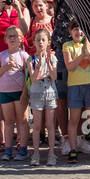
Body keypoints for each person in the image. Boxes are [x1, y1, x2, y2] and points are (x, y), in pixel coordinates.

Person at [0, 25, 31, 161]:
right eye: (10, 36)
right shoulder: (1, 56)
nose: (13, 38)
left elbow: (28, 77)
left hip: (19, 93)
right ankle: (8, 149)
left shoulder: (24, 55)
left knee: (22, 121)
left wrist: (25, 93)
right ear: (5, 39)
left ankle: (23, 149)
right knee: (8, 121)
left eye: (15, 36)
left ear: (21, 39)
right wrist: (5, 67)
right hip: (5, 93)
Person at [62, 20, 90, 163]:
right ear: (71, 32)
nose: (79, 32)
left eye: (82, 29)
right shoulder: (67, 46)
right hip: (74, 86)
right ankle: (73, 149)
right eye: (75, 29)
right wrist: (81, 54)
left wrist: (87, 51)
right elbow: (70, 66)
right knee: (74, 119)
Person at [27, 27, 59, 166]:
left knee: (50, 125)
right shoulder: (30, 59)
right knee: (37, 125)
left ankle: (51, 153)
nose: (40, 43)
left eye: (43, 40)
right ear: (34, 42)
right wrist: (39, 64)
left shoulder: (53, 57)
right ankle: (35, 153)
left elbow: (54, 76)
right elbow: (33, 78)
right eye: (38, 40)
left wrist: (49, 64)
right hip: (36, 93)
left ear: (48, 42)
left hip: (50, 92)